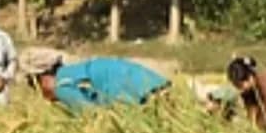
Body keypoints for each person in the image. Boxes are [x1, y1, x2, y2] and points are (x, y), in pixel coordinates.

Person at [22, 48, 171, 111]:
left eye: (37, 87)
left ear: (44, 77)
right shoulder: (71, 72)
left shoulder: (62, 86)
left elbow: (92, 116)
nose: (43, 97)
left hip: (137, 93)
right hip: (149, 83)